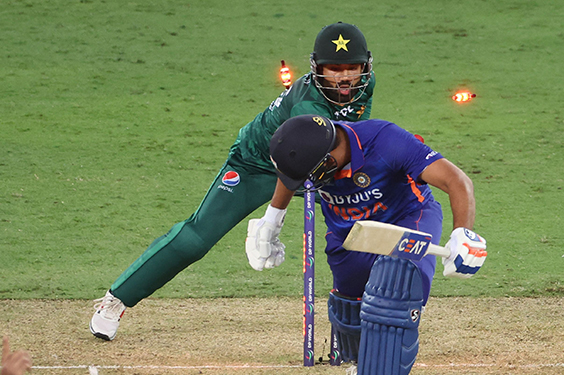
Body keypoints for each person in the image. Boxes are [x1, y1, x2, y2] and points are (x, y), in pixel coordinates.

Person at [90, 22, 376, 341]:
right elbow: (294, 168)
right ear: (317, 68)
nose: (345, 77)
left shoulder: (366, 84)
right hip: (256, 163)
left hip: (321, 163)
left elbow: (353, 135)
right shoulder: (307, 105)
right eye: (334, 68)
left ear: (365, 66)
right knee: (196, 239)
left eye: (352, 68)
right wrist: (272, 223)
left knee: (369, 218)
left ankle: (368, 308)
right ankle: (115, 301)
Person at [246, 115, 488, 375]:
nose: (308, 182)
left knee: (394, 290)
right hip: (349, 231)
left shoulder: (385, 140)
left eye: (311, 173)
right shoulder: (313, 156)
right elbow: (294, 171)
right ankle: (362, 370)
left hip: (408, 217)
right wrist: (272, 220)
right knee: (348, 310)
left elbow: (456, 179)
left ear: (327, 159)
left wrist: (463, 233)